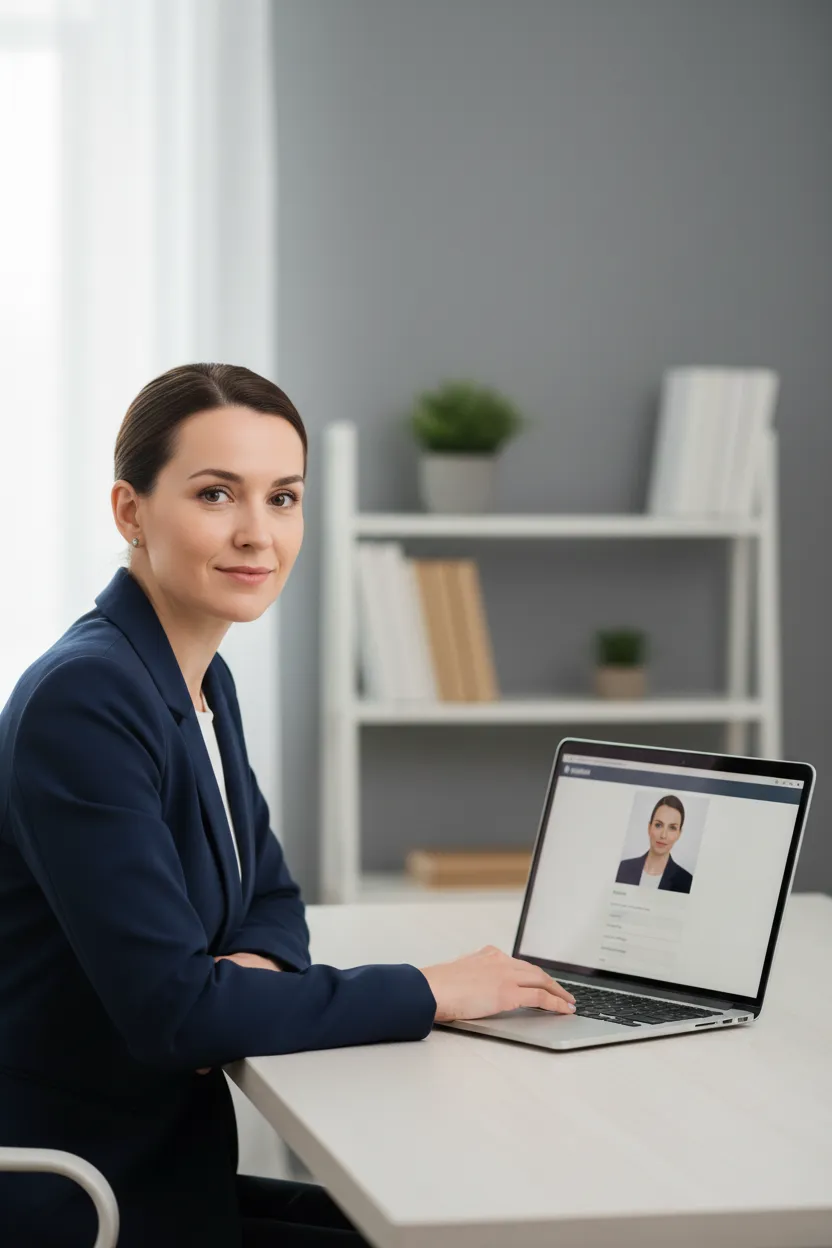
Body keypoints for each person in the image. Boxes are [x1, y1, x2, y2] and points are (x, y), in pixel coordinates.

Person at [0, 363, 577, 1248]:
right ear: (130, 512)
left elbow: (270, 898)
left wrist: (241, 980)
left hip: (169, 1166)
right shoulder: (87, 702)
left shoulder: (199, 677)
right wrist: (431, 990)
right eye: (216, 494)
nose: (256, 534)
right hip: (88, 1199)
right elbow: (178, 1016)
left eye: (283, 498)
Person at [615, 794, 693, 894]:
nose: (663, 835)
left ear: (679, 834)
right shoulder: (623, 868)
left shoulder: (686, 882)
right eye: (658, 825)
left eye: (672, 828)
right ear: (649, 827)